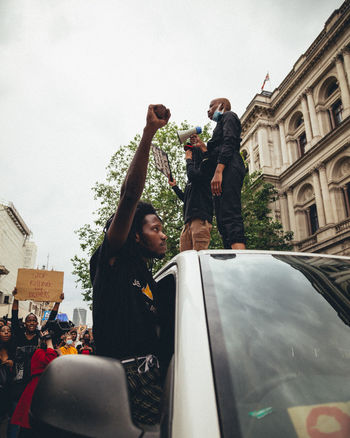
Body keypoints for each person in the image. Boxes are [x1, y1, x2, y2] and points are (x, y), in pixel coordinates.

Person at [90, 104, 173, 426]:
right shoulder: (113, 261)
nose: (163, 235)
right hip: (125, 384)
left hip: (158, 374)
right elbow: (128, 197)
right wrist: (149, 132)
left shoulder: (148, 277)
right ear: (134, 236)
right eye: (156, 229)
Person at [7, 290, 63, 438]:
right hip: (18, 379)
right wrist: (16, 298)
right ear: (25, 323)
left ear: (37, 324)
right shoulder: (18, 334)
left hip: (34, 380)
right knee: (16, 412)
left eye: (34, 321)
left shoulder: (40, 336)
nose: (31, 323)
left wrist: (57, 302)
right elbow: (13, 317)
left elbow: (51, 318)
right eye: (29, 320)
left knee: (30, 413)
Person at [192, 98, 246, 249]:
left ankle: (240, 260)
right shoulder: (219, 127)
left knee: (230, 213)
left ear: (221, 106)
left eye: (211, 106)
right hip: (222, 168)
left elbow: (230, 142)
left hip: (229, 167)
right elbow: (216, 152)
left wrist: (219, 171)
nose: (208, 110)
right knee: (222, 219)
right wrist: (203, 147)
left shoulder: (229, 116)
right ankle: (231, 253)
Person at [11, 327, 61, 437]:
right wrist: (49, 343)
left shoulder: (53, 352)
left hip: (46, 389)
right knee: (29, 427)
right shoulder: (39, 352)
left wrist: (59, 354)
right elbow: (50, 362)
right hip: (36, 390)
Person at [168, 139, 213, 251]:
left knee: (198, 255)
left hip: (200, 220)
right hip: (188, 222)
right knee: (185, 257)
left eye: (191, 152)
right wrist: (175, 187)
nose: (188, 155)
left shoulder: (206, 168)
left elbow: (193, 175)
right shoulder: (191, 180)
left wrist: (188, 160)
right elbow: (186, 198)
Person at [0, 325, 14, 436]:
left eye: (8, 331)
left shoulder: (14, 349)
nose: (6, 333)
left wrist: (11, 364)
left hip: (8, 390)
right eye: (3, 331)